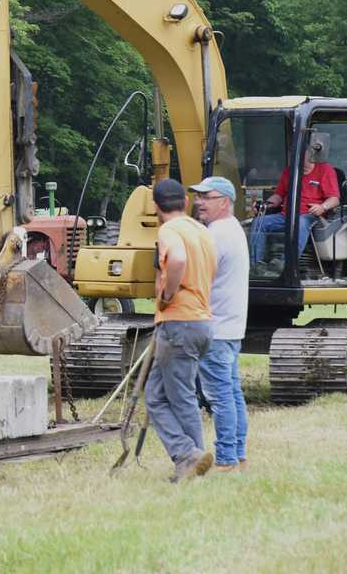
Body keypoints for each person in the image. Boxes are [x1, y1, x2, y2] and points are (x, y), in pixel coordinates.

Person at [146, 178, 217, 482]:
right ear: (185, 203)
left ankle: (191, 457)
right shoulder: (201, 231)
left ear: (155, 207)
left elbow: (176, 259)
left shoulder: (169, 231)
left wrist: (167, 294)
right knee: (155, 395)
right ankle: (189, 456)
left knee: (182, 396)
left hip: (179, 321)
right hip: (200, 321)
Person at [190, 175, 251, 473]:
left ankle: (226, 459)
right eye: (198, 196)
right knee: (232, 392)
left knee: (219, 396)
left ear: (224, 202)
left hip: (215, 327)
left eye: (206, 197)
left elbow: (198, 276)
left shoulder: (216, 234)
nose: (199, 202)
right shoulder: (233, 228)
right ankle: (238, 455)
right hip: (231, 326)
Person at [250, 138, 339, 266]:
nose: (295, 156)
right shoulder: (289, 171)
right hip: (286, 215)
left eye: (300, 152)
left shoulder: (325, 170)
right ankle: (254, 265)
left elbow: (335, 199)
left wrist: (322, 207)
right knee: (259, 222)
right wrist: (265, 204)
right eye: (293, 153)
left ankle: (285, 264)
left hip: (310, 215)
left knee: (300, 222)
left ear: (311, 153)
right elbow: (278, 196)